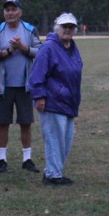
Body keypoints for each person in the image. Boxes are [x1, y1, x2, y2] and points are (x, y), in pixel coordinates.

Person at [0, 0, 42, 175]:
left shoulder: (30, 29)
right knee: (3, 123)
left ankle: (27, 159)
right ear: (4, 13)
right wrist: (6, 51)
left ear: (20, 12)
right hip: (3, 86)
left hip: (25, 85)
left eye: (14, 9)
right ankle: (2, 160)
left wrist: (23, 47)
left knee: (26, 123)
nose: (10, 13)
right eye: (7, 10)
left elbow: (41, 52)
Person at [28, 13, 84, 186]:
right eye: (64, 26)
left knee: (66, 140)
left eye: (71, 27)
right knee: (54, 139)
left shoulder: (72, 47)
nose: (67, 30)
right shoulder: (49, 48)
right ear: (57, 27)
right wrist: (39, 97)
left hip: (69, 101)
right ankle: (52, 175)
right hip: (53, 101)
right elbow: (37, 75)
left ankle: (55, 172)